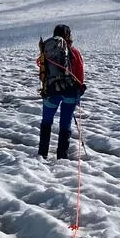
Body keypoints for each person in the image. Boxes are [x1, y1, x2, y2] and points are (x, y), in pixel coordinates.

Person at [37, 24, 86, 159]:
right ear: (69, 35)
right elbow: (80, 77)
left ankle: (42, 155)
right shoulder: (74, 52)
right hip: (70, 92)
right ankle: (62, 157)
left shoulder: (47, 51)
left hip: (51, 91)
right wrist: (78, 92)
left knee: (46, 121)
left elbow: (43, 72)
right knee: (65, 123)